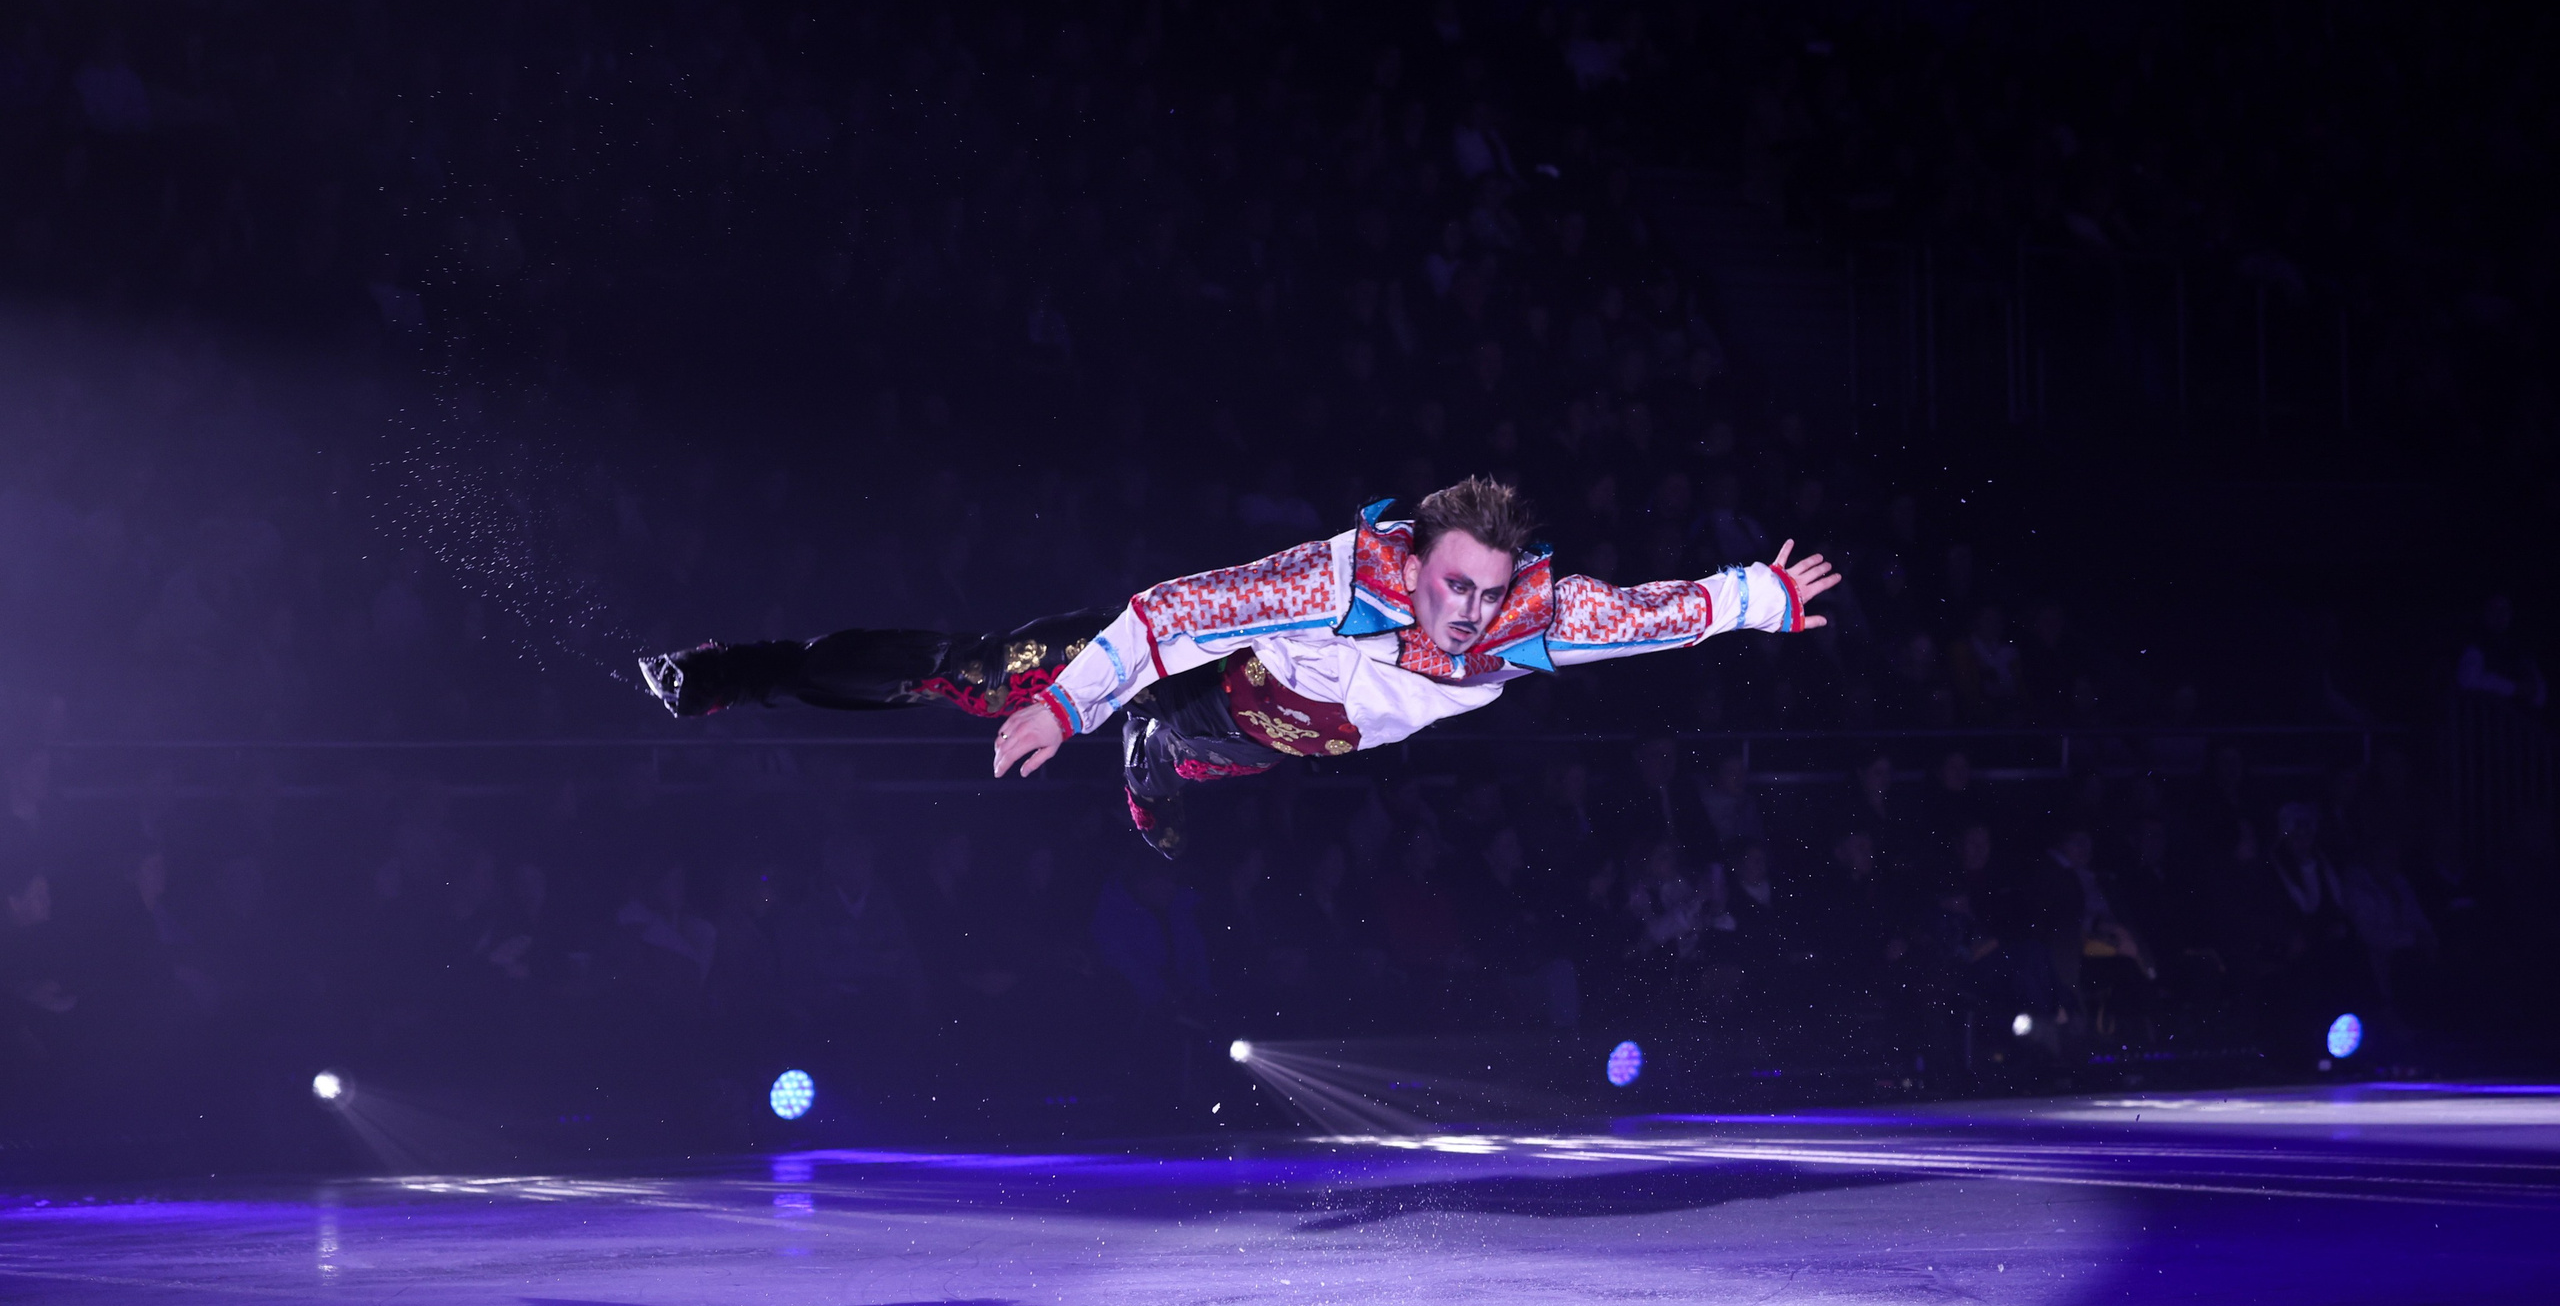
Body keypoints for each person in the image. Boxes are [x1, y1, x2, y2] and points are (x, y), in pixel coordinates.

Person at [641, 478, 1837, 857]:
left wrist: (1762, 595)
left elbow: (1656, 612)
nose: (1467, 614)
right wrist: (1062, 703)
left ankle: (1147, 756)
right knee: (973, 668)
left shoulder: (1536, 616)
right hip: (1195, 661)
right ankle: (739, 672)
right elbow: (1165, 617)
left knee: (1172, 749)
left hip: (1266, 731)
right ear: (1412, 559)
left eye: (1488, 590)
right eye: (1450, 583)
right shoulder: (1328, 579)